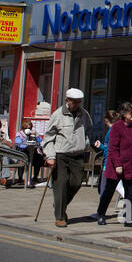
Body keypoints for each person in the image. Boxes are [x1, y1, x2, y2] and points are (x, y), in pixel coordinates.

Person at [42, 88, 96, 227]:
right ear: (67, 101)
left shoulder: (84, 114)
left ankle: (60, 204)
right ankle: (60, 216)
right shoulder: (58, 115)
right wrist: (50, 155)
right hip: (60, 154)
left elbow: (89, 130)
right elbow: (48, 136)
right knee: (60, 184)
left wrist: (86, 143)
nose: (77, 105)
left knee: (76, 182)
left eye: (79, 102)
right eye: (74, 102)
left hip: (77, 154)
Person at [94, 102, 132, 228]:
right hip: (116, 166)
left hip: (131, 165)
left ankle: (129, 219)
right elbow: (113, 148)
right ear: (124, 114)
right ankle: (101, 214)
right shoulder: (117, 127)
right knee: (109, 191)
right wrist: (118, 164)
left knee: (131, 193)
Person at [16, 121, 46, 185]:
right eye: (26, 128)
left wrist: (36, 135)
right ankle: (20, 178)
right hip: (23, 153)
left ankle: (35, 177)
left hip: (32, 152)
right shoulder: (19, 134)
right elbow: (19, 144)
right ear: (23, 128)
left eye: (30, 128)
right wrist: (26, 141)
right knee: (22, 159)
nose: (28, 130)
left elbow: (40, 141)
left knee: (38, 158)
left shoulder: (33, 133)